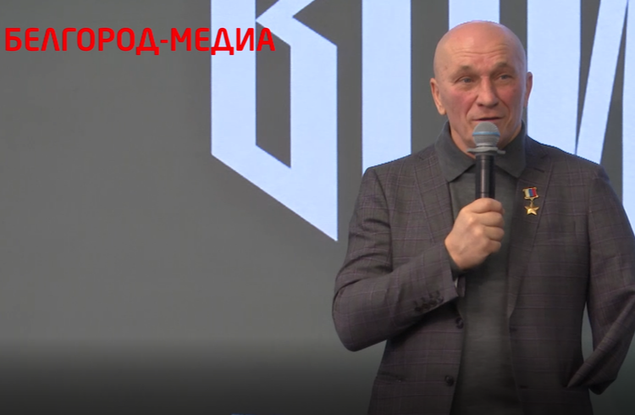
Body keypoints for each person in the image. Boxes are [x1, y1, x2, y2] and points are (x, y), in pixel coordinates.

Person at [332, 21, 635, 415]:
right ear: (438, 95)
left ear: (526, 87)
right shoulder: (389, 185)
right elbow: (352, 321)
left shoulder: (581, 182)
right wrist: (447, 259)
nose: (487, 97)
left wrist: (578, 384)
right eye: (466, 80)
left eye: (503, 76)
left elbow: (625, 294)